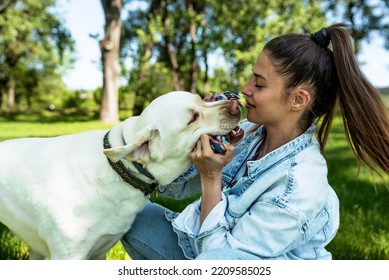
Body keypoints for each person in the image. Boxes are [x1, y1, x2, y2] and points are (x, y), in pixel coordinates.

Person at [120, 23, 389, 260]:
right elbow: (172, 189)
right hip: (204, 249)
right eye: (252, 77)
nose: (245, 89)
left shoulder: (300, 184)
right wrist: (202, 135)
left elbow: (219, 259)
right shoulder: (249, 134)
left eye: (259, 84)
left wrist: (211, 178)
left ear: (298, 100)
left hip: (229, 262)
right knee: (126, 213)